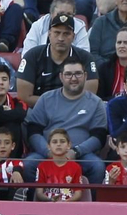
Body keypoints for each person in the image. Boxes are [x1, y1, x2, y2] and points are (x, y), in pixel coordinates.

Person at [22, 55, 107, 183]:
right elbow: (33, 132)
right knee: (28, 164)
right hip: (47, 154)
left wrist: (75, 152)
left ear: (85, 76)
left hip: (81, 156)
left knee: (97, 166)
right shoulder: (46, 99)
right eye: (68, 74)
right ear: (61, 77)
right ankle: (34, 196)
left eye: (78, 74)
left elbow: (99, 137)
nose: (73, 78)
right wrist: (48, 152)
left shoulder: (96, 102)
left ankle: (89, 197)